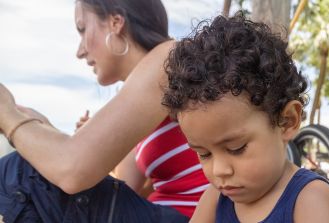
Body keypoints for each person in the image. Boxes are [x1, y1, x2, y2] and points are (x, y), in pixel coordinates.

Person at [0, 0, 208, 222]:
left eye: (82, 30)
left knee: (20, 172)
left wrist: (7, 114)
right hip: (161, 212)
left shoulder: (170, 59)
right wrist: (52, 136)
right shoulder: (141, 111)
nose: (80, 51)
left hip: (192, 217)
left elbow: (72, 171)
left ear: (116, 22)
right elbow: (119, 185)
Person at [162, 12, 329, 223]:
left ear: (287, 121)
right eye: (204, 154)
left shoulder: (309, 198)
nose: (220, 170)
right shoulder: (216, 199)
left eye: (236, 148)